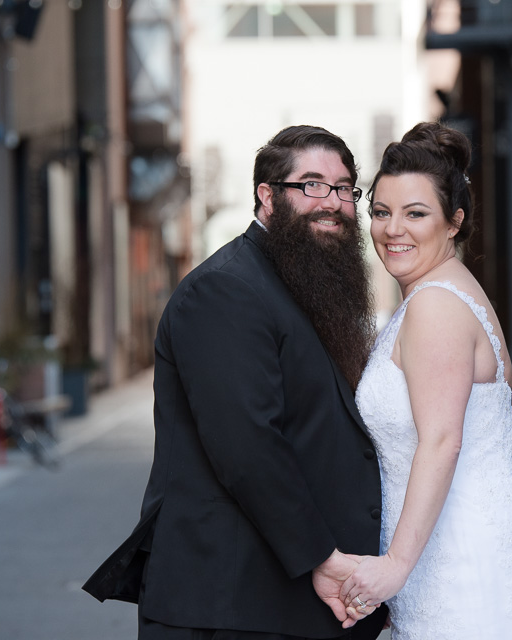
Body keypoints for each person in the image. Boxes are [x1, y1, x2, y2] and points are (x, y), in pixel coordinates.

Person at [83, 125, 387, 640]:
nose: (332, 202)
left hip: (277, 602)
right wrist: (322, 557)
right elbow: (247, 446)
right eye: (311, 185)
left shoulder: (303, 282)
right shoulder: (226, 289)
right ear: (267, 197)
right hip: (227, 603)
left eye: (343, 188)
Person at [339, 122, 512, 639]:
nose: (393, 229)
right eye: (381, 212)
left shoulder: (436, 305)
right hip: (453, 552)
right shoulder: (445, 290)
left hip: (459, 563)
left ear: (454, 222)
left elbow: (441, 441)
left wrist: (393, 566)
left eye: (416, 213)